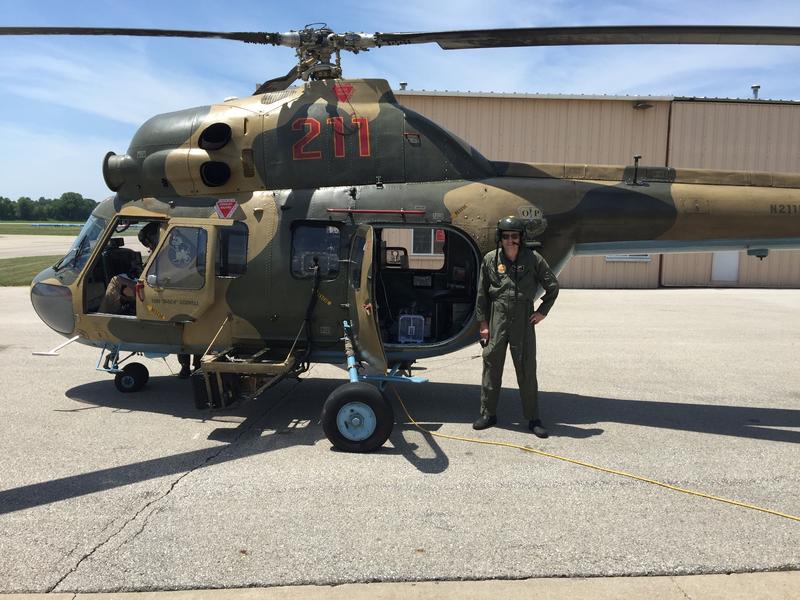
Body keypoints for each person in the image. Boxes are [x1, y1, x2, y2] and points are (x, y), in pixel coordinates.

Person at [473, 216, 559, 438]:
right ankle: (488, 414)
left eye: (514, 236)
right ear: (499, 238)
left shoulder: (533, 259)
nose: (510, 240)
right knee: (492, 366)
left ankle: (533, 419)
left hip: (523, 318)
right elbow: (482, 293)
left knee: (527, 369)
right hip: (498, 316)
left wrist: (542, 312)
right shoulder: (491, 259)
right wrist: (483, 323)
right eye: (506, 236)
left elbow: (553, 287)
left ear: (521, 238)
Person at [98, 221, 160, 314]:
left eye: (149, 244)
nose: (149, 248)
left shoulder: (159, 255)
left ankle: (101, 319)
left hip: (151, 292)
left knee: (116, 281)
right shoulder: (165, 252)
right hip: (155, 289)